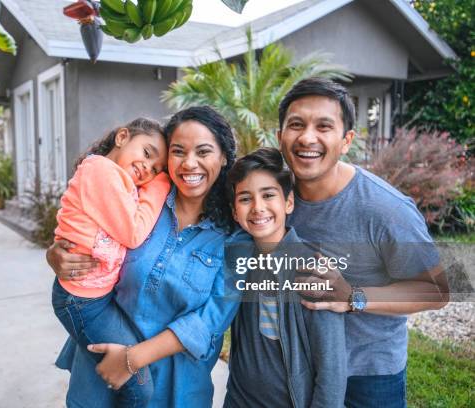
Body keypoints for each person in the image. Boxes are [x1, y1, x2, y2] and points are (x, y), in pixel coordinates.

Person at [47, 106, 239, 407]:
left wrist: (133, 358)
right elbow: (85, 227)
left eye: (203, 152)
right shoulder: (140, 200)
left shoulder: (234, 232)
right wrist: (57, 253)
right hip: (99, 370)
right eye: (178, 151)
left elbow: (210, 320)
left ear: (224, 157)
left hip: (173, 386)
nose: (190, 163)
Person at [275, 78, 448, 408]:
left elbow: (437, 290)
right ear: (280, 136)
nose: (307, 137)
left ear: (346, 141)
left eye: (324, 126)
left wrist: (353, 297)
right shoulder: (274, 198)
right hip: (297, 365)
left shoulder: (384, 209)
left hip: (367, 376)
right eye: (296, 124)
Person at [51, 117, 171, 407]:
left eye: (156, 169)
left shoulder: (121, 181)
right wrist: (161, 183)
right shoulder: (101, 170)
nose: (148, 169)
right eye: (146, 153)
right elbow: (132, 232)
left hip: (94, 298)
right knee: (139, 387)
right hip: (82, 301)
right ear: (122, 137)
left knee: (127, 383)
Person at [222, 147, 346, 408]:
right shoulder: (238, 259)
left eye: (268, 195)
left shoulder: (312, 270)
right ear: (235, 212)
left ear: (288, 203)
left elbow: (332, 368)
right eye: (245, 199)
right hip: (238, 399)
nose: (258, 208)